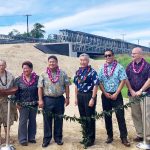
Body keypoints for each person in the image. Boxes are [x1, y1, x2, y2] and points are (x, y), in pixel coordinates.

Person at [98, 49, 130, 147]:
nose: (108, 57)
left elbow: (123, 80)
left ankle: (123, 137)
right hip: (105, 95)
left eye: (109, 55)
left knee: (120, 116)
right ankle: (110, 136)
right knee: (107, 116)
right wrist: (104, 93)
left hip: (117, 95)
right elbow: (99, 82)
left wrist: (116, 93)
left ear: (113, 56)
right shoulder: (101, 68)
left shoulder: (119, 67)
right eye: (106, 56)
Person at [38, 55, 70, 148]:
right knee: (47, 120)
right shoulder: (43, 74)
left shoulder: (63, 73)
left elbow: (67, 86)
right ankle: (47, 139)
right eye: (50, 62)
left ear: (57, 63)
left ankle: (58, 138)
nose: (52, 63)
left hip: (60, 99)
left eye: (54, 61)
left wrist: (67, 98)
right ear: (48, 63)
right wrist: (40, 100)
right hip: (47, 99)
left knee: (59, 119)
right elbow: (40, 87)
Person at [74, 53, 99, 147]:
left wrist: (92, 98)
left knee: (90, 117)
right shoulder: (78, 72)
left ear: (88, 61)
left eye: (84, 60)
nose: (82, 62)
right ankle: (85, 136)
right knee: (83, 117)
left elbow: (96, 85)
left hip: (89, 95)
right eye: (81, 60)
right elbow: (76, 85)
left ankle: (91, 139)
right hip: (80, 95)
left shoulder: (92, 72)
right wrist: (76, 98)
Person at [126, 47, 150, 143]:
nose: (132, 55)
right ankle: (140, 134)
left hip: (145, 94)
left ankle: (148, 137)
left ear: (140, 54)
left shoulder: (148, 66)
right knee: (135, 114)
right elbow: (125, 79)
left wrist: (141, 90)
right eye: (132, 53)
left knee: (147, 115)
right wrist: (131, 90)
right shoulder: (129, 66)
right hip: (133, 94)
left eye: (134, 53)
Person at [15, 61, 39, 146]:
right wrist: (17, 102)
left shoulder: (37, 78)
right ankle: (23, 139)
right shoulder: (18, 80)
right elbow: (16, 92)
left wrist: (40, 100)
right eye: (24, 68)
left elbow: (40, 90)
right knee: (23, 121)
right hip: (23, 104)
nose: (25, 70)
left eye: (27, 68)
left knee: (33, 120)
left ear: (31, 69)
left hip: (34, 103)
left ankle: (31, 137)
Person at [0, 59, 18, 145]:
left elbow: (15, 87)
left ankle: (8, 137)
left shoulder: (10, 76)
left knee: (7, 119)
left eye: (2, 65)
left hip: (7, 102)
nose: (1, 67)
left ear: (5, 66)